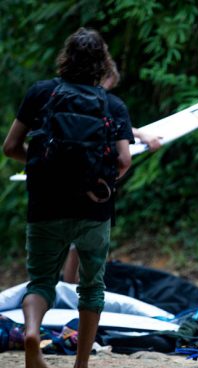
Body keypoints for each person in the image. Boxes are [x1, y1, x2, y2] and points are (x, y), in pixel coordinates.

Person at [2, 28, 134, 368]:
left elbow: (10, 146)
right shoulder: (112, 105)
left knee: (42, 282)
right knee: (91, 287)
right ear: (102, 63)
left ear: (66, 57)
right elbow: (123, 159)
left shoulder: (41, 93)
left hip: (45, 205)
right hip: (94, 210)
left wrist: (42, 162)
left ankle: (32, 333)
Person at [62, 61, 162, 284]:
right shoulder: (97, 102)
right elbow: (123, 155)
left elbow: (117, 127)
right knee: (89, 241)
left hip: (66, 182)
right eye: (107, 86)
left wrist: (141, 135)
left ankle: (69, 290)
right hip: (88, 184)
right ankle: (79, 294)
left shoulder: (67, 98)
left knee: (74, 242)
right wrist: (108, 180)